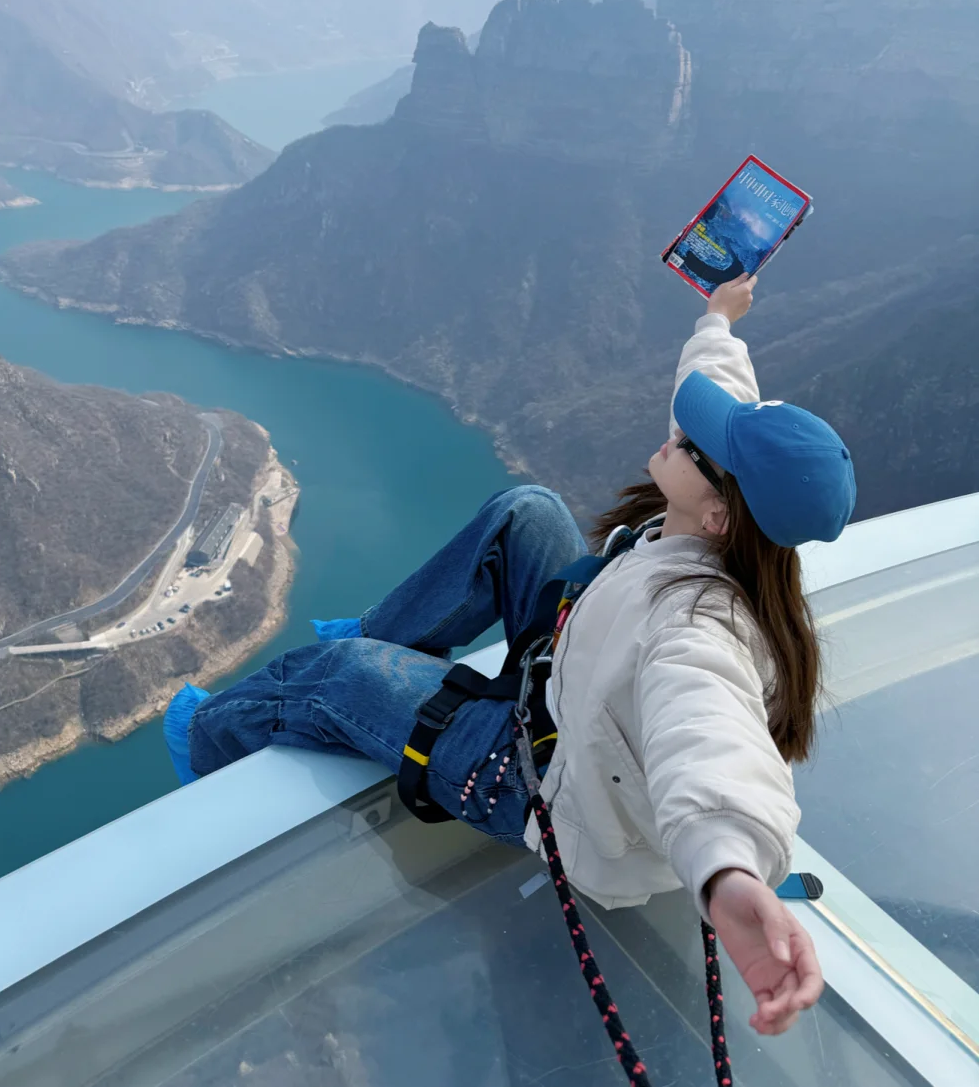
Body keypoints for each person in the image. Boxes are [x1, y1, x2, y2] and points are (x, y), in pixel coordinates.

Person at [165, 272, 855, 1038]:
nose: (673, 435)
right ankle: (382, 629)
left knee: (338, 676)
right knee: (528, 513)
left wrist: (728, 872)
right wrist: (719, 320)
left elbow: (708, 738)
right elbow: (718, 400)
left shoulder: (695, 631)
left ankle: (208, 740)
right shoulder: (727, 522)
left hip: (538, 780)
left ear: (721, 513)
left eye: (691, 443)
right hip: (568, 678)